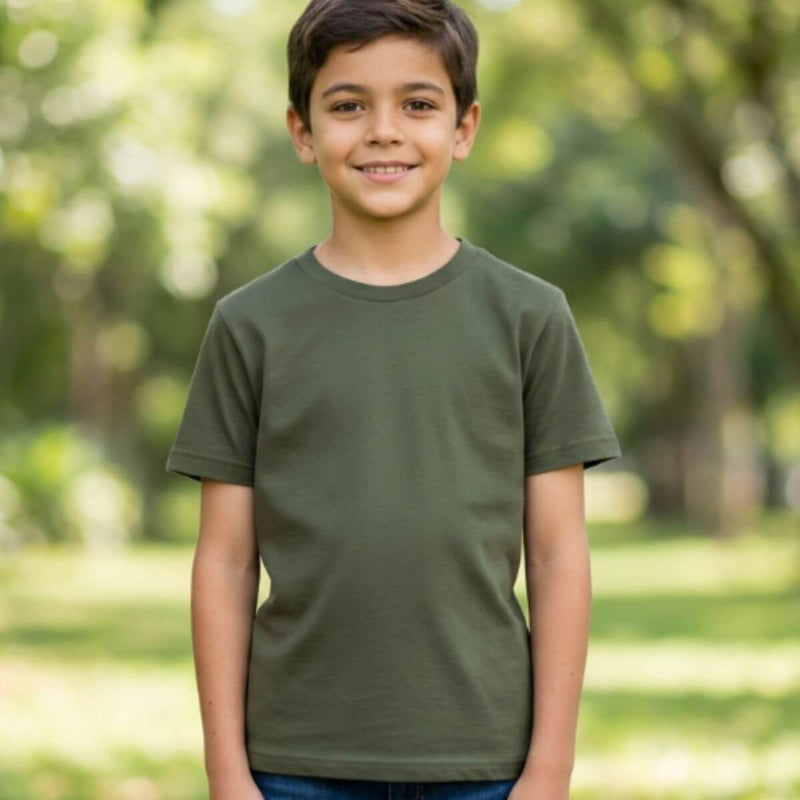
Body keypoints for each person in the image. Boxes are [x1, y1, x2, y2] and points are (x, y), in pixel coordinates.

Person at [165, 1, 622, 799]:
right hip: (293, 764)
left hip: (486, 763)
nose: (383, 131)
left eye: (417, 104)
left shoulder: (530, 317)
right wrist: (227, 773)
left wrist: (549, 768)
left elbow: (558, 554)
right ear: (302, 132)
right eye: (348, 106)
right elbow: (226, 560)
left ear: (464, 128)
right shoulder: (250, 325)